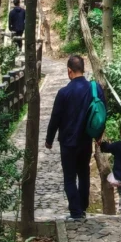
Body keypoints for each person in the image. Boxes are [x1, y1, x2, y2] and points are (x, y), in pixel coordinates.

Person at [45, 54, 94, 220]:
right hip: (86, 140)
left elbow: (55, 118)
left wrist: (49, 139)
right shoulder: (93, 89)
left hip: (68, 142)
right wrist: (98, 134)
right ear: (83, 69)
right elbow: (101, 112)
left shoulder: (64, 92)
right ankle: (82, 207)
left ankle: (76, 212)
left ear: (69, 71)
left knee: (70, 177)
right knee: (84, 174)